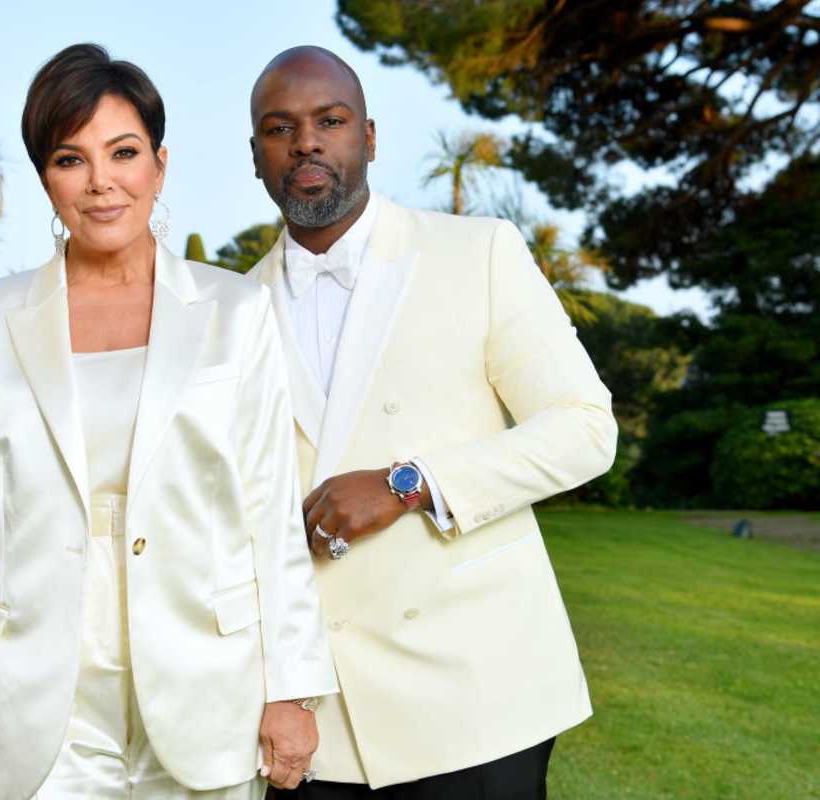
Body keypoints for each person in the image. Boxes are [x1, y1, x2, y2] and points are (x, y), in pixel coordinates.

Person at [0, 43, 338, 800]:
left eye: (122, 153)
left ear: (158, 166)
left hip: (207, 686)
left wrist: (291, 686)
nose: (101, 182)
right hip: (27, 698)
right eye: (71, 159)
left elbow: (268, 509)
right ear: (45, 177)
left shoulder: (235, 310)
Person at [244, 47, 618, 799]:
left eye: (331, 120)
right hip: (319, 718)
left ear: (371, 137)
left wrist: (409, 483)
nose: (307, 142)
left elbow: (584, 428)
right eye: (281, 128)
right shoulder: (228, 312)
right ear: (255, 157)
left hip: (478, 695)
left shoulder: (477, 252)